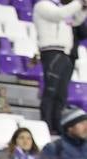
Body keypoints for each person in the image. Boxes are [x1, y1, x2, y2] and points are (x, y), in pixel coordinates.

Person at [34, 0, 87, 133]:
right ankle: (46, 124)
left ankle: (57, 125)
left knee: (61, 94)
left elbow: (75, 22)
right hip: (51, 51)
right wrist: (79, 3)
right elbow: (59, 15)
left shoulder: (62, 8)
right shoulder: (42, 5)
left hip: (65, 52)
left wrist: (83, 8)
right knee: (50, 91)